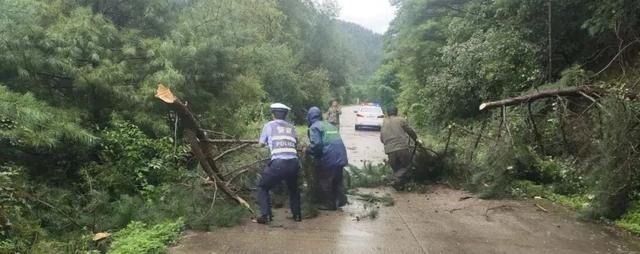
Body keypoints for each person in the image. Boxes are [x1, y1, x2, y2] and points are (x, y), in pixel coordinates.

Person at [256, 103, 301, 224]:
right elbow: (296, 142)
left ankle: (266, 216)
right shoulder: (291, 127)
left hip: (278, 163)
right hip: (294, 162)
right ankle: (297, 215)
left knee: (263, 187)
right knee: (293, 189)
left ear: (272, 114)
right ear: (285, 115)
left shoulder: (269, 126)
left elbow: (260, 144)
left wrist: (260, 144)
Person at [306, 106, 348, 210]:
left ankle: (330, 204)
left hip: (329, 158)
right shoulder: (329, 125)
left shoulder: (314, 127)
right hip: (341, 156)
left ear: (309, 117)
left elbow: (317, 145)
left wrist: (308, 150)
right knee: (337, 180)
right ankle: (340, 200)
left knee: (325, 181)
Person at [380, 106, 419, 190]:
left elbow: (382, 138)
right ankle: (394, 179)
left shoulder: (384, 122)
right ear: (397, 112)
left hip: (390, 151)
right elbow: (410, 131)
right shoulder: (401, 120)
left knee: (397, 168)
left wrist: (388, 144)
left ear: (387, 113)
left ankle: (399, 185)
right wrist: (416, 139)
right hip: (402, 148)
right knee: (408, 165)